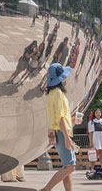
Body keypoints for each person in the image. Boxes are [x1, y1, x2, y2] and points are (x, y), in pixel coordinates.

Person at [41, 63, 76, 191]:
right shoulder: (59, 94)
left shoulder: (51, 94)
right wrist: (67, 137)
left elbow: (57, 117)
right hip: (62, 132)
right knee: (70, 167)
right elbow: (60, 118)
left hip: (55, 132)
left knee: (67, 167)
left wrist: (71, 122)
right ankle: (46, 189)